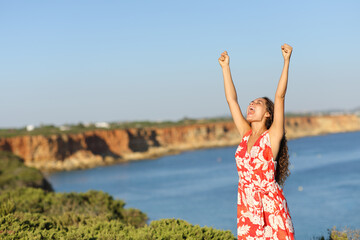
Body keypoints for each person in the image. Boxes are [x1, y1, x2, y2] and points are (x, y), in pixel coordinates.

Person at [218, 44, 295, 239]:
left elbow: (280, 96)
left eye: (258, 103)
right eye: (251, 102)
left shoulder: (272, 136)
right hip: (247, 208)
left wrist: (286, 62)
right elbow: (231, 100)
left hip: (272, 210)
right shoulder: (245, 135)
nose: (251, 104)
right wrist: (226, 68)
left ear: (268, 113)